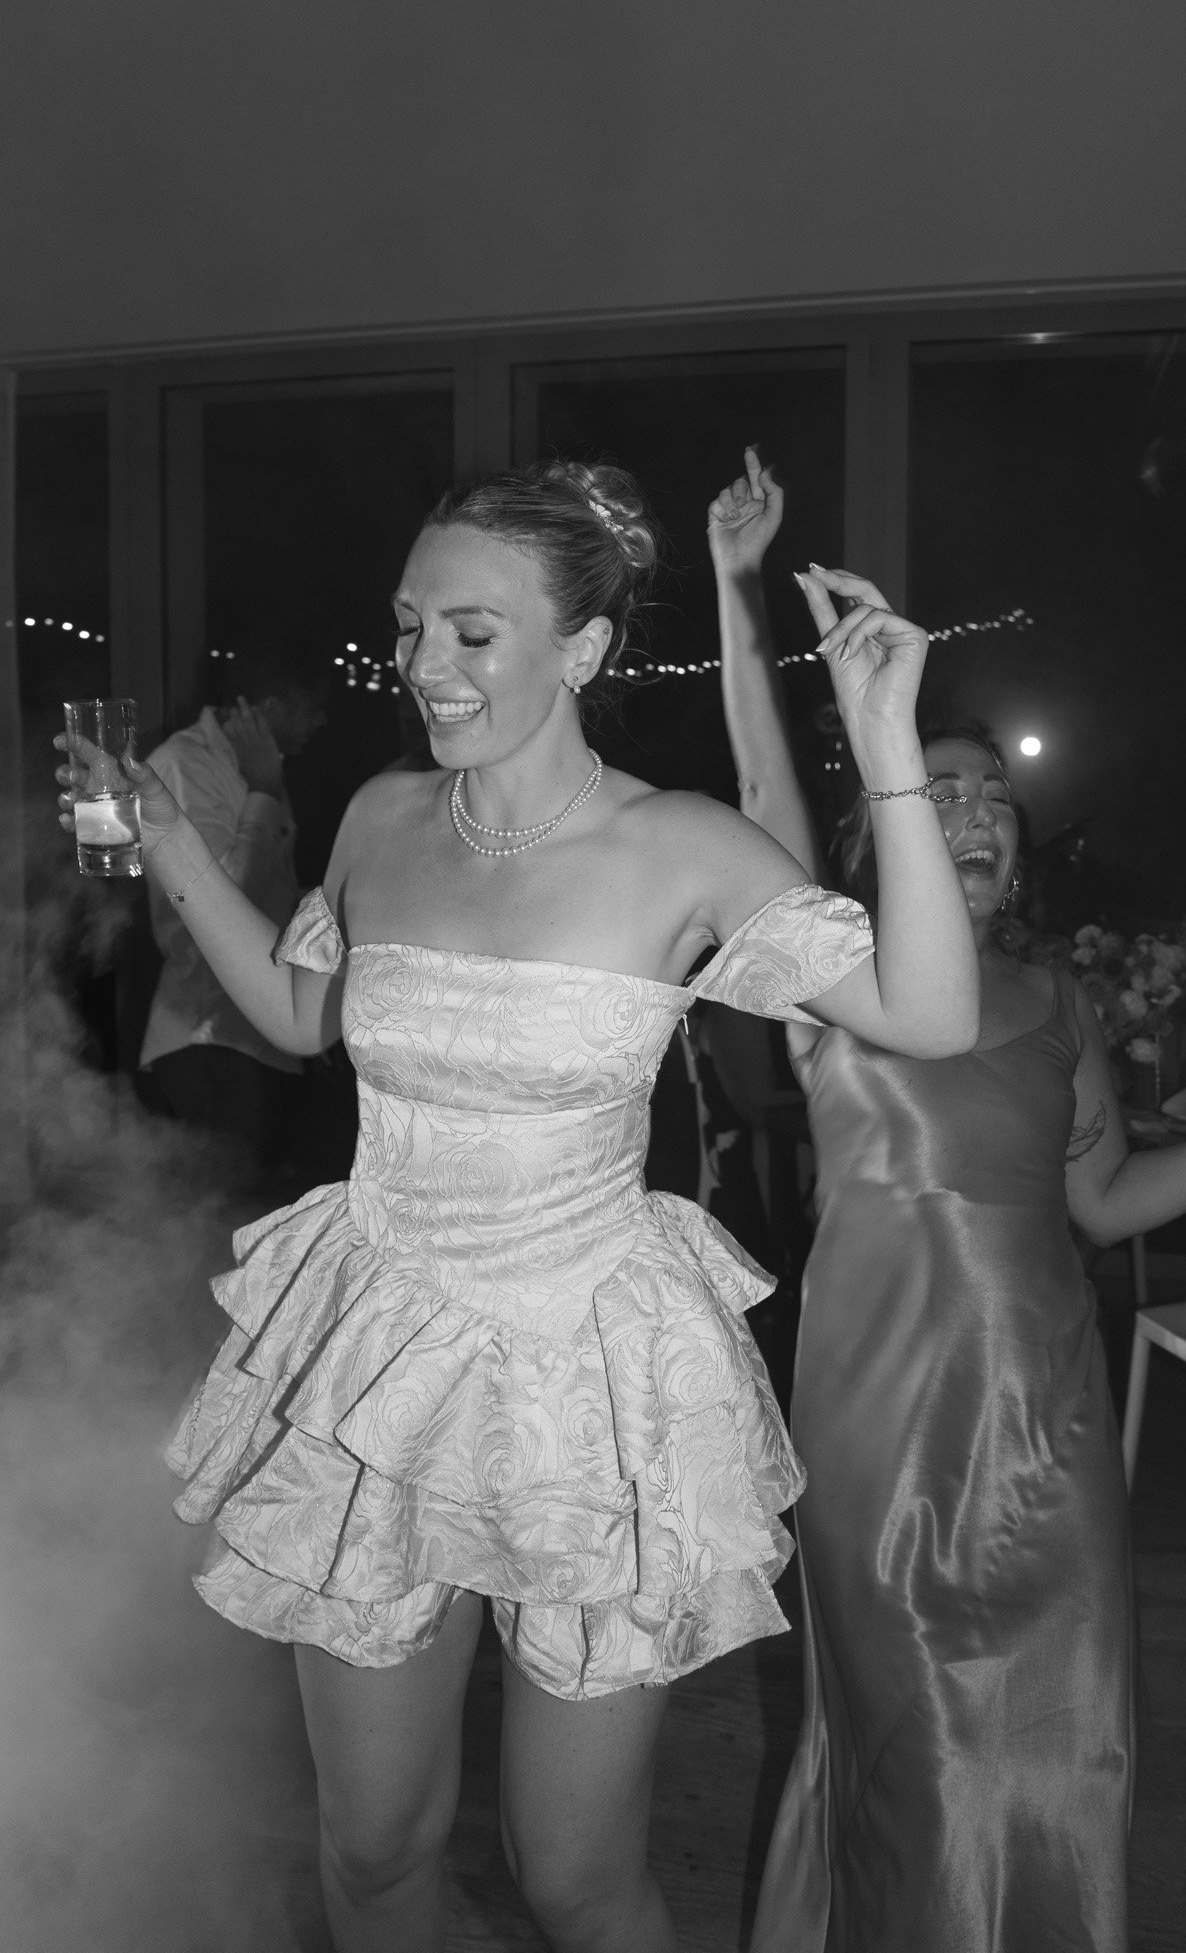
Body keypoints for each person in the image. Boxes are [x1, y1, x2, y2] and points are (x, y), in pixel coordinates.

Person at [57, 459, 979, 1953]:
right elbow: (300, 1016)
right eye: (410, 624)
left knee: (572, 1879)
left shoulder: (680, 845)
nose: (425, 662)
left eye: (473, 632)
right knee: (371, 1851)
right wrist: (165, 838)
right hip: (379, 1363)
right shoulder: (380, 817)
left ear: (585, 648)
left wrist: (886, 753)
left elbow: (928, 1014)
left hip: (584, 1385)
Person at [708, 448, 1186, 1953]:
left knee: (1060, 1727)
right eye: (942, 787)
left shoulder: (1061, 999)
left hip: (1045, 1410)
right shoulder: (831, 968)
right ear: (886, 819)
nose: (976, 811)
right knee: (915, 1723)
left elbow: (1104, 1203)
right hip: (878, 1403)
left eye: (994, 795)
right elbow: (762, 793)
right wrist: (735, 589)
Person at [139, 639, 328, 1175]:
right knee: (225, 1212)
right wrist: (263, 789)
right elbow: (224, 899)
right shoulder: (186, 764)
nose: (321, 722)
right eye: (313, 708)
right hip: (213, 1036)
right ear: (268, 709)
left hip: (256, 1035)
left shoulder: (243, 765)